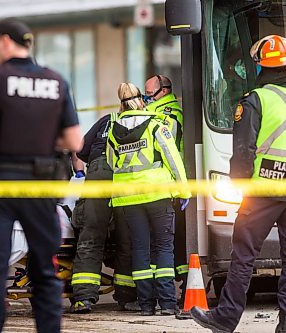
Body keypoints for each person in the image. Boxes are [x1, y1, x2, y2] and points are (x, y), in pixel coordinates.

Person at [190, 35, 286, 333]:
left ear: (262, 67)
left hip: (261, 193)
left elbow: (243, 152)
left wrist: (242, 188)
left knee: (243, 257)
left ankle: (226, 319)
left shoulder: (256, 100)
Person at [0, 18, 82, 333]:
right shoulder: (56, 81)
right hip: (41, 186)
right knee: (44, 269)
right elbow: (74, 143)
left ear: (4, 41)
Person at [106, 82, 191, 316]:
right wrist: (184, 190)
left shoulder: (114, 128)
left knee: (140, 249)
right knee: (164, 247)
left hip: (128, 198)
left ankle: (145, 304)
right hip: (157, 193)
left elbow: (112, 163)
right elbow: (173, 159)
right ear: (141, 100)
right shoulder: (156, 124)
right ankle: (165, 303)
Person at [69, 111, 123, 313]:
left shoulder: (108, 119)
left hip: (98, 173)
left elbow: (81, 150)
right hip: (127, 177)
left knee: (90, 236)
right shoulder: (146, 120)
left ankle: (83, 298)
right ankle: (128, 296)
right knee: (128, 238)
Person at [144, 75, 189, 301]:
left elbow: (169, 152)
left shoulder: (170, 116)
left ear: (163, 91)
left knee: (170, 242)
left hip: (171, 187)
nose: (146, 99)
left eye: (149, 95)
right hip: (163, 186)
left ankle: (181, 288)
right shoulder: (154, 114)